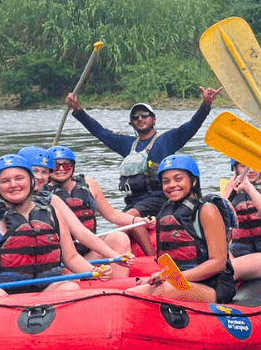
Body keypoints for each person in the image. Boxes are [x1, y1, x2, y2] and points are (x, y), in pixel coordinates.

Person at [0, 154, 111, 303]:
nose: (13, 185)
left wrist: (93, 271)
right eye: (5, 181)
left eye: (19, 178)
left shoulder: (53, 214)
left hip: (43, 290)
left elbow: (71, 257)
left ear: (31, 181)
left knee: (69, 288)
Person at [64, 88, 222, 232]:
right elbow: (100, 132)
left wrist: (206, 104)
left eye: (144, 115)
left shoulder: (167, 140)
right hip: (133, 201)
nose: (140, 118)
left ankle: (147, 250)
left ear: (153, 119)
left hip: (158, 197)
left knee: (127, 219)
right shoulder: (127, 145)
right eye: (135, 117)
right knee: (123, 219)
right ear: (132, 123)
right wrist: (78, 110)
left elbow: (192, 126)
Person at [127, 154, 236, 304]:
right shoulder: (165, 211)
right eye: (166, 181)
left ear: (193, 180)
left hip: (213, 287)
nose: (172, 185)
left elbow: (218, 263)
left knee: (154, 292)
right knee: (133, 292)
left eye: (178, 179)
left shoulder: (206, 210)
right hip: (178, 282)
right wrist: (161, 278)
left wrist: (171, 278)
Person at [46, 144, 137, 260]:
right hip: (65, 257)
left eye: (67, 165)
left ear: (73, 167)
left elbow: (112, 214)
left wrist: (140, 220)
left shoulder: (90, 184)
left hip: (90, 249)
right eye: (55, 166)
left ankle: (118, 272)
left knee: (120, 238)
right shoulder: (42, 194)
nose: (61, 169)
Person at [222, 159, 261, 281]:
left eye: (255, 165)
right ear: (235, 169)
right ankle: (185, 287)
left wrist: (249, 188)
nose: (251, 170)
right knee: (213, 262)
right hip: (240, 254)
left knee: (225, 269)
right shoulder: (231, 192)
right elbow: (223, 229)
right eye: (244, 166)